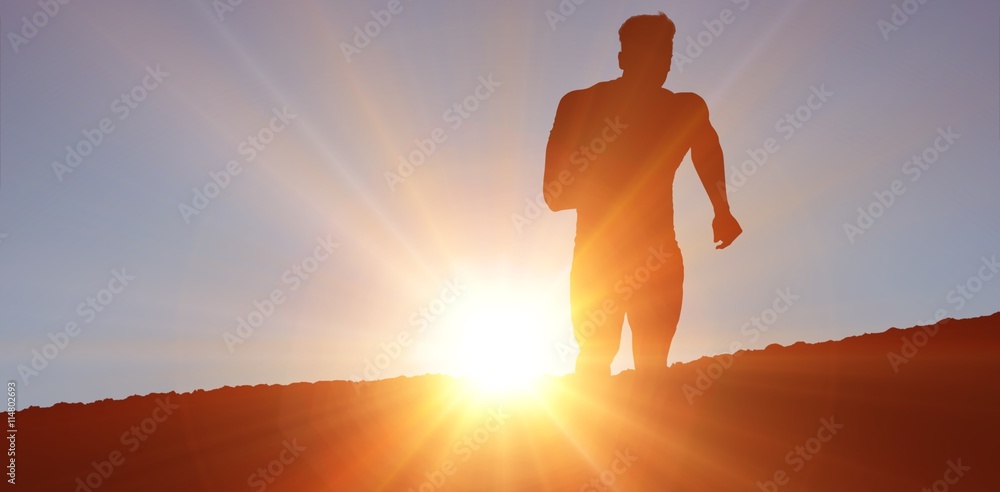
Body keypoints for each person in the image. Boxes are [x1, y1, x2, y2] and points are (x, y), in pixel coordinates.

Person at [544, 12, 742, 378]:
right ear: (622, 58)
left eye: (665, 53)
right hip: (600, 256)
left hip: (655, 255)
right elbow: (554, 194)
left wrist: (722, 210)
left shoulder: (685, 108)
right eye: (648, 53)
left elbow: (707, 150)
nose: (660, 63)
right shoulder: (578, 105)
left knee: (650, 365)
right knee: (596, 357)